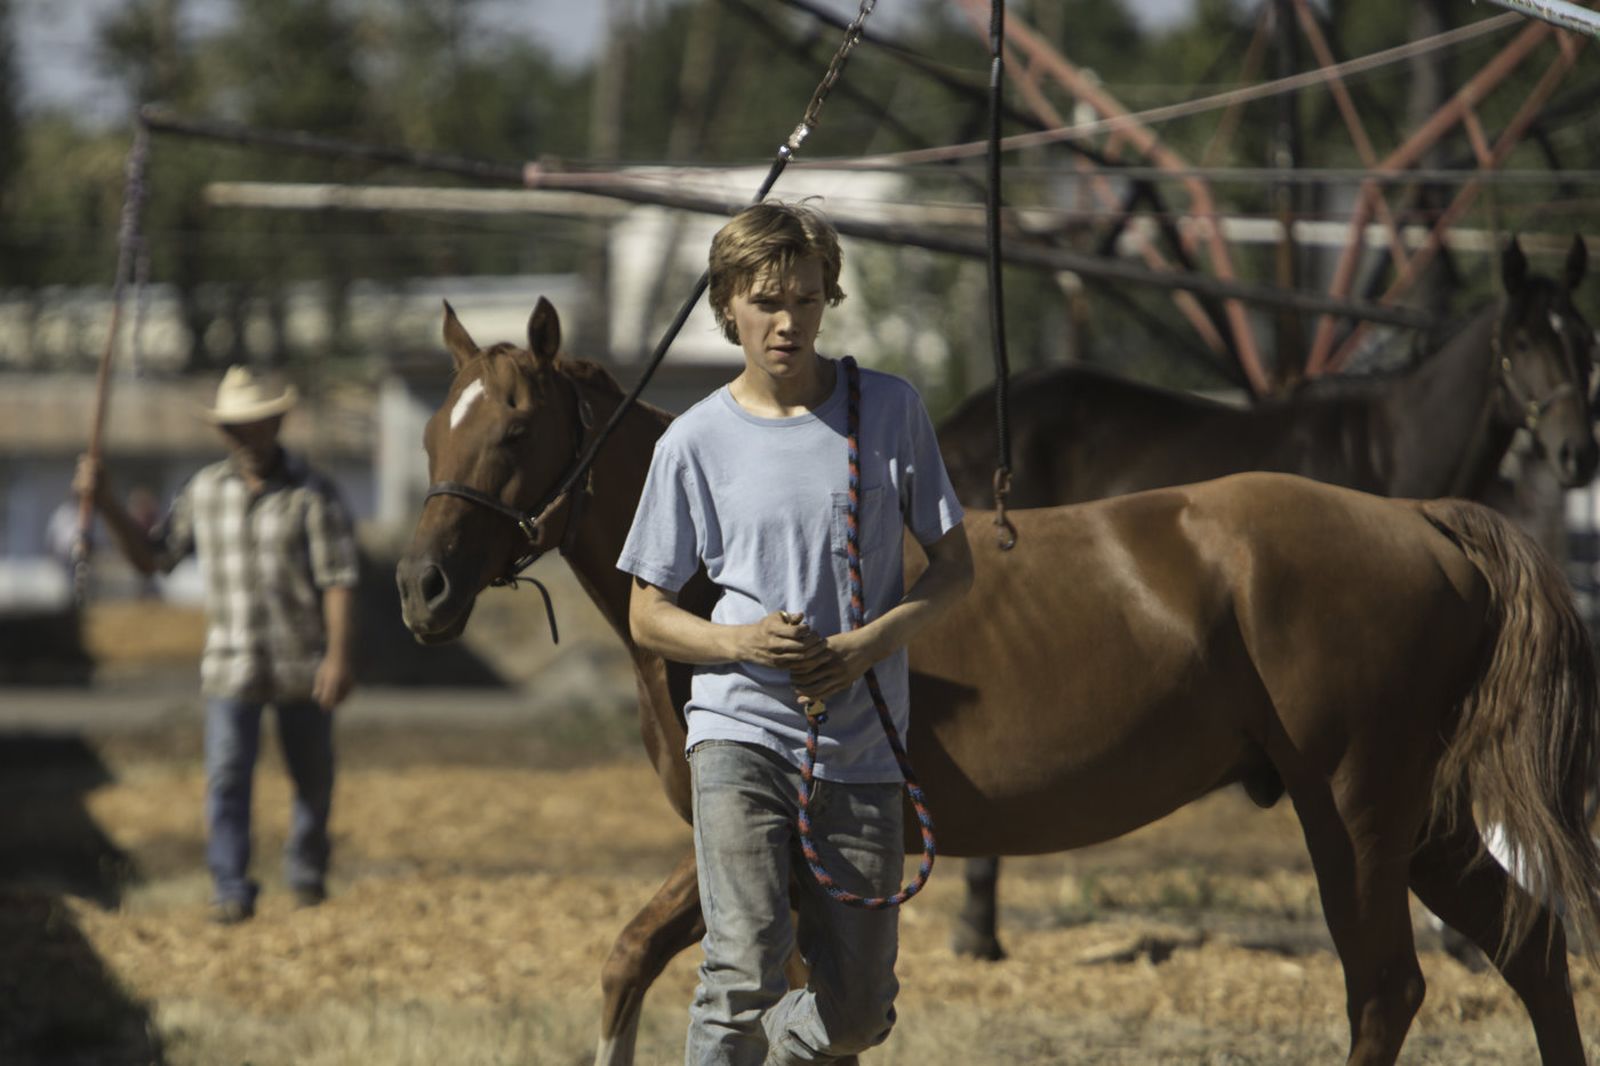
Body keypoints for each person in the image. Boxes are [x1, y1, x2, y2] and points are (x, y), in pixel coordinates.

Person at [617, 201, 974, 1065]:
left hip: (862, 747)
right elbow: (646, 613)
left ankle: (778, 1044)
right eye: (767, 302)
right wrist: (741, 644)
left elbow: (956, 570)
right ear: (728, 305)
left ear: (827, 300)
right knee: (741, 970)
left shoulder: (888, 410)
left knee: (858, 1016)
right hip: (738, 732)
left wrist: (865, 648)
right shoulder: (694, 441)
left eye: (807, 301)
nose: (788, 322)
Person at [75, 366, 359, 925]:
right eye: (233, 428)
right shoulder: (204, 492)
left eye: (253, 425)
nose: (244, 437)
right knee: (227, 776)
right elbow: (153, 558)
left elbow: (339, 579)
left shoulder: (313, 493)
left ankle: (306, 876)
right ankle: (230, 886)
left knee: (313, 776)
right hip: (231, 662)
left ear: (276, 424)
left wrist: (339, 656)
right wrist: (106, 504)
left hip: (300, 659)